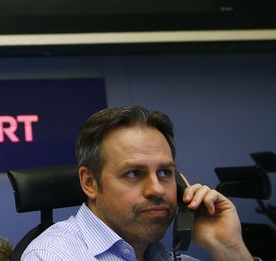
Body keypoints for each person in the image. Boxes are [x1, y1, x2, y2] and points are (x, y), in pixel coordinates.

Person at [21, 105, 255, 261]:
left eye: (165, 172)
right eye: (133, 174)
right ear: (90, 182)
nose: (156, 189)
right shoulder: (54, 255)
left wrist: (228, 248)